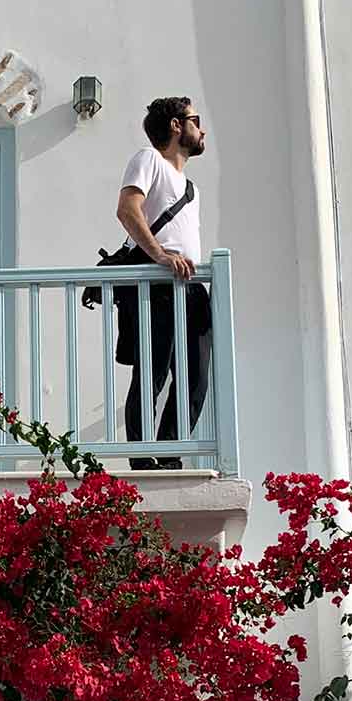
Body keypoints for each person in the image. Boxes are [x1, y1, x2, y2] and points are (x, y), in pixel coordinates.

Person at [114, 96, 211, 468]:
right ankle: (142, 460)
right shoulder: (148, 159)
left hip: (190, 288)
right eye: (195, 120)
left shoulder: (192, 188)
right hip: (156, 286)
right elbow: (127, 209)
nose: (201, 130)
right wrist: (159, 255)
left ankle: (169, 458)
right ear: (175, 125)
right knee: (151, 375)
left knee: (195, 381)